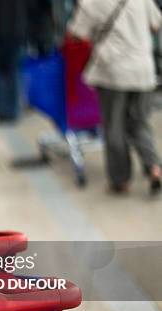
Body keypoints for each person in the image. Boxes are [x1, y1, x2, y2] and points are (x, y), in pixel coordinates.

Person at [69, 0, 162, 195]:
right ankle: (154, 167)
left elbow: (77, 34)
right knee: (139, 123)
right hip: (143, 69)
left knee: (114, 127)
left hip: (113, 71)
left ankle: (120, 180)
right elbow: (156, 24)